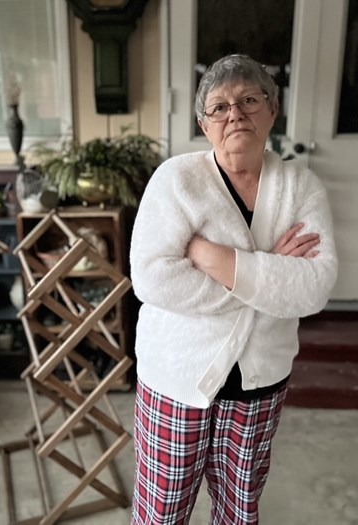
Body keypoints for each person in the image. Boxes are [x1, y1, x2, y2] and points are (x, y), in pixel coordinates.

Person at [129, 54, 338, 524]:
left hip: (260, 382)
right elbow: (152, 276)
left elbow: (315, 287)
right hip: (176, 380)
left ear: (273, 109)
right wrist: (268, 277)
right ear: (204, 124)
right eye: (220, 107)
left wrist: (209, 258)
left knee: (240, 511)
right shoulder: (176, 180)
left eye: (248, 100)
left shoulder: (301, 187)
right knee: (161, 512)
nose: (235, 115)